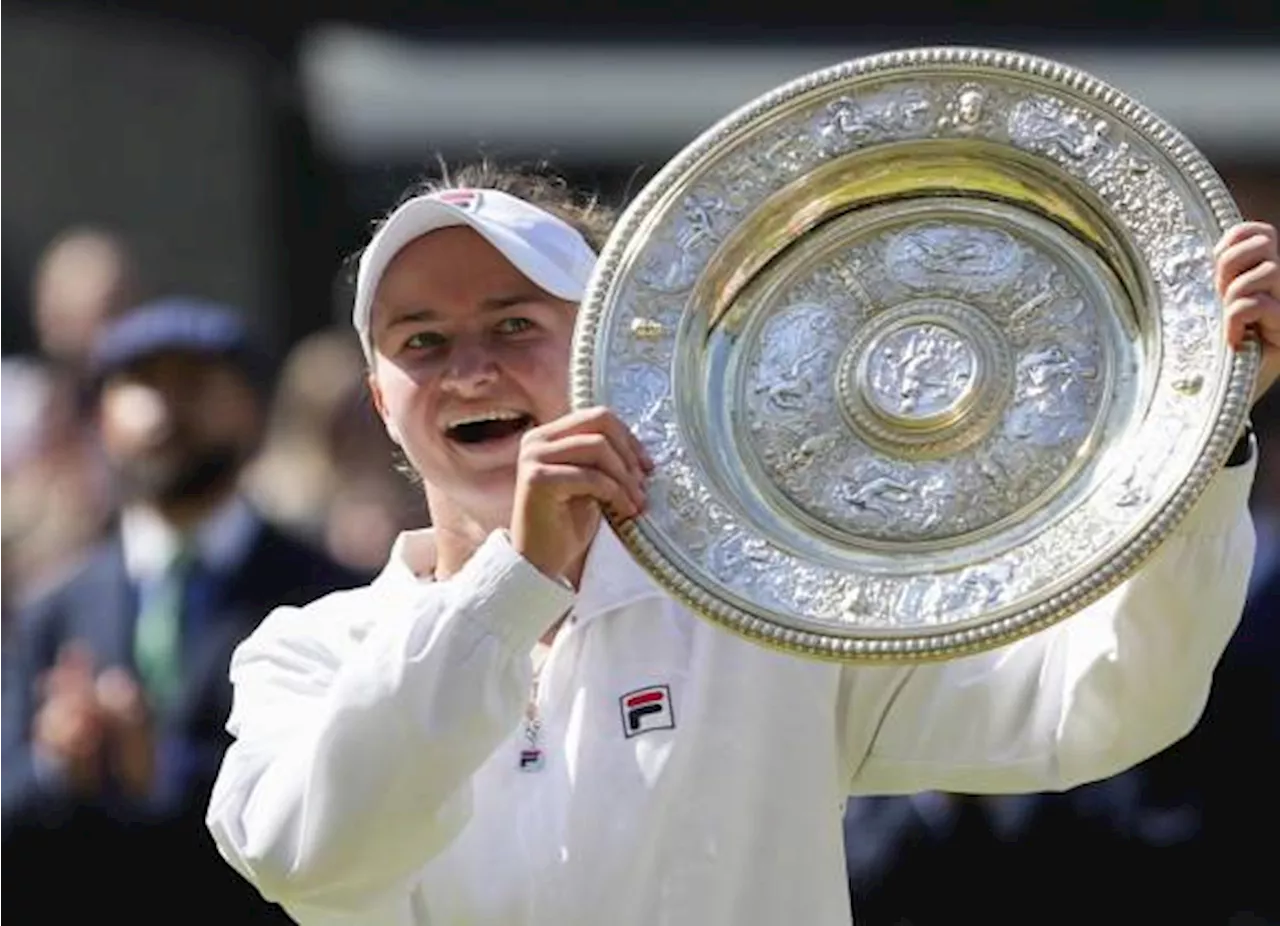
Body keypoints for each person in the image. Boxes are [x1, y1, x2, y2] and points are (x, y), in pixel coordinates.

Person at [205, 163, 1280, 926]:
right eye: (421, 344)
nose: (469, 371)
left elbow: (1096, 706)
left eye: (514, 324)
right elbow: (316, 855)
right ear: (378, 400)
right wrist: (513, 585)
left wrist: (1199, 424)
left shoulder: (763, 599)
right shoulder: (308, 649)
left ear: (604, 350)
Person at [0, 298, 370, 922]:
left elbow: (347, 801)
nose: (164, 410)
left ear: (253, 408)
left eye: (194, 384)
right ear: (99, 418)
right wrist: (56, 767)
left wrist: (165, 773)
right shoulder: (51, 610)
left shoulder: (329, 595)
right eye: (139, 385)